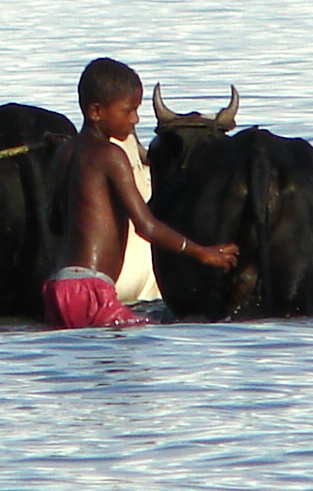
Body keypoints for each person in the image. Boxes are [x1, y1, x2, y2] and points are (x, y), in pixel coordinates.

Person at [46, 57, 241, 329]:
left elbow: (54, 222)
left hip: (58, 287)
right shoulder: (112, 156)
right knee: (146, 336)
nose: (135, 119)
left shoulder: (63, 152)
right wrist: (202, 252)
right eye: (128, 111)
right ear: (96, 112)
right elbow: (146, 226)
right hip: (92, 290)